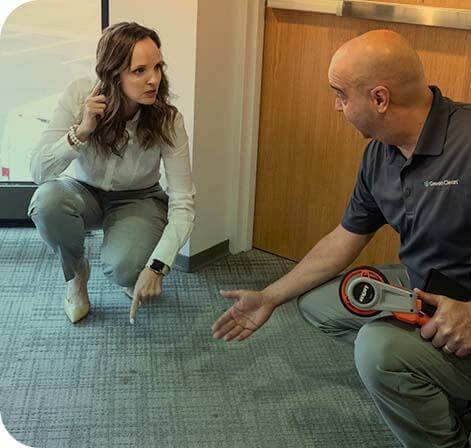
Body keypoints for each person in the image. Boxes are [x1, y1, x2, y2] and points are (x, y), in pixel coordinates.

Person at [212, 30, 471, 448]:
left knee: (376, 350)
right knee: (321, 304)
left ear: (379, 99)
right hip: (427, 291)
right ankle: (433, 371)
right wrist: (270, 296)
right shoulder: (379, 154)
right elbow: (345, 237)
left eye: (340, 94)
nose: (336, 106)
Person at [28, 22, 196, 325]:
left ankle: (132, 264)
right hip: (82, 191)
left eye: (158, 67)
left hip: (138, 199)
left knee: (126, 268)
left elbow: (183, 202)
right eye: (139, 70)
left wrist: (157, 266)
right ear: (112, 73)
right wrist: (81, 132)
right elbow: (39, 171)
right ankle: (76, 272)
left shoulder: (168, 120)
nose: (153, 80)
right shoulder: (80, 94)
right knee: (47, 201)